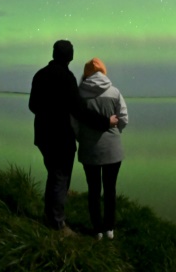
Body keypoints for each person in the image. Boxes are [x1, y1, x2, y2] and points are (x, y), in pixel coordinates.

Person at [28, 40, 118, 235]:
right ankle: (58, 225)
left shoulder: (40, 75)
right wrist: (105, 122)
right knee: (60, 177)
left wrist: (48, 111)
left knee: (53, 175)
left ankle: (50, 216)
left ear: (53, 53)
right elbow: (80, 111)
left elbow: (33, 106)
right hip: (60, 137)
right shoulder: (67, 78)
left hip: (43, 135)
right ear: (70, 56)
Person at [72, 57, 128, 240]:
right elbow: (124, 119)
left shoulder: (79, 93)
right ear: (103, 72)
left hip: (89, 149)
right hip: (113, 149)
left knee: (94, 190)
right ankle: (109, 229)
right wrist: (115, 133)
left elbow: (74, 124)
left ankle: (97, 230)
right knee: (110, 189)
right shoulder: (114, 92)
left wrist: (82, 138)